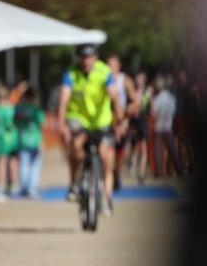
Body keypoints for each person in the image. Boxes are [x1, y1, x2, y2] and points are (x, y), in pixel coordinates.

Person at [56, 44, 125, 214]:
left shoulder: (104, 71)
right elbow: (64, 99)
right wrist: (61, 124)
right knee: (77, 147)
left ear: (96, 58)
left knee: (106, 157)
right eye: (83, 58)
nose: (86, 61)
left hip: (101, 119)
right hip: (78, 117)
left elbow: (114, 96)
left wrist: (120, 121)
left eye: (90, 57)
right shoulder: (71, 73)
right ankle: (74, 186)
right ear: (79, 58)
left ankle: (107, 197)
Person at [106, 53, 136, 191]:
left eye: (113, 65)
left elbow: (135, 101)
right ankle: (108, 174)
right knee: (106, 150)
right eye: (108, 65)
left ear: (119, 66)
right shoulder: (103, 79)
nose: (111, 68)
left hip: (121, 119)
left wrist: (128, 113)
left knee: (119, 152)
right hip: (106, 119)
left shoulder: (125, 80)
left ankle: (116, 173)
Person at [15, 85, 46, 199]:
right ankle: (32, 188)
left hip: (22, 139)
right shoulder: (37, 109)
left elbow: (15, 122)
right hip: (35, 140)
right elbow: (42, 125)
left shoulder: (19, 108)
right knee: (35, 165)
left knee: (23, 164)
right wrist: (42, 141)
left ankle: (24, 187)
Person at [151, 74, 184, 176]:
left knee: (158, 150)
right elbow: (174, 112)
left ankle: (159, 171)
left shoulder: (156, 99)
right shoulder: (172, 98)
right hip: (168, 126)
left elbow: (154, 114)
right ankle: (179, 169)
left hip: (158, 126)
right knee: (172, 149)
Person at [128, 70, 152, 183]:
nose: (139, 81)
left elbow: (150, 107)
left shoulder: (147, 92)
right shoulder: (132, 92)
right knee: (134, 146)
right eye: (138, 79)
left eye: (141, 79)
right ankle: (132, 166)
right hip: (133, 122)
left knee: (143, 148)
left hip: (142, 122)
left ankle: (141, 172)